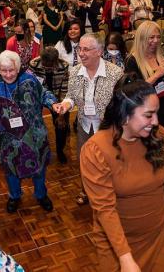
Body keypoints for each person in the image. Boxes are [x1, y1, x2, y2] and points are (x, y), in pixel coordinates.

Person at [81, 79, 164, 272]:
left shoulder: (159, 136)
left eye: (156, 113)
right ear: (125, 116)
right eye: (148, 115)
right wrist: (125, 257)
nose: (156, 122)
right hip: (116, 243)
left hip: (158, 235)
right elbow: (105, 209)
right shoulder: (96, 150)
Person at [0, 50, 58, 213]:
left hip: (34, 135)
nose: (7, 74)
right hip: (9, 137)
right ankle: (14, 196)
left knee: (39, 167)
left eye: (11, 70)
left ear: (18, 66)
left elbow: (44, 93)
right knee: (10, 169)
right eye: (3, 70)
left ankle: (41, 195)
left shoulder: (30, 77)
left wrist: (53, 103)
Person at [54, 33, 123, 205]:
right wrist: (65, 105)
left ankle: (110, 192)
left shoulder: (115, 73)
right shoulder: (75, 71)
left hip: (107, 128)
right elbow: (71, 96)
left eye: (86, 49)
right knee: (85, 161)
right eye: (79, 49)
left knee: (109, 162)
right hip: (85, 125)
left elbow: (122, 103)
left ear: (99, 51)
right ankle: (86, 190)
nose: (81, 53)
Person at [126, 21, 164, 142]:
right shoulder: (132, 61)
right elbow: (134, 90)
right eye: (151, 37)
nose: (155, 41)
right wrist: (157, 74)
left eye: (158, 37)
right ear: (142, 38)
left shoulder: (162, 54)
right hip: (147, 111)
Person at [29, 47, 70, 163]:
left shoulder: (64, 66)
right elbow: (32, 86)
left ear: (56, 61)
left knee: (62, 126)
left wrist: (62, 112)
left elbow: (65, 89)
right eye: (45, 65)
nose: (47, 68)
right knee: (34, 125)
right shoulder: (34, 64)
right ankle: (37, 150)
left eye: (50, 66)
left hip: (58, 98)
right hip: (39, 96)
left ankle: (60, 151)